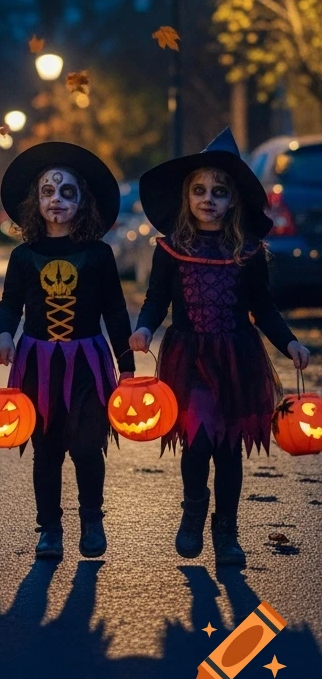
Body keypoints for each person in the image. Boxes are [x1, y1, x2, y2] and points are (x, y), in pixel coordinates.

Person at [131, 128, 310, 566]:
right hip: (188, 357)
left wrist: (289, 342)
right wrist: (143, 329)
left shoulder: (247, 252)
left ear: (233, 201)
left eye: (219, 192)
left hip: (236, 357)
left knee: (229, 447)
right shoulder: (171, 249)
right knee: (197, 440)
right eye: (199, 190)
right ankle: (193, 513)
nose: (208, 198)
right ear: (186, 197)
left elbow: (262, 307)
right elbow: (156, 299)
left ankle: (226, 529)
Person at [0, 142, 133, 561]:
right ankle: (49, 528)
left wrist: (126, 367)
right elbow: (9, 304)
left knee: (89, 445)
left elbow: (116, 310)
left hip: (88, 361)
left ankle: (92, 518)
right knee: (47, 449)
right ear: (35, 202)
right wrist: (4, 336)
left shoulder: (98, 254)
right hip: (37, 363)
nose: (57, 200)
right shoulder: (23, 256)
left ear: (82, 200)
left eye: (67, 192)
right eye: (47, 192)